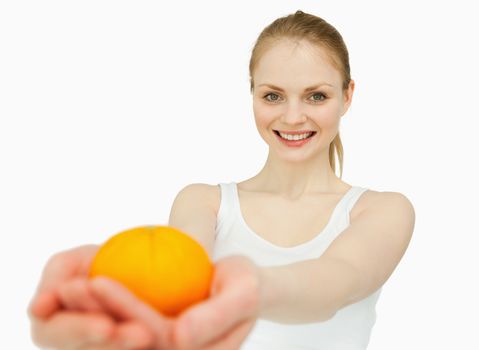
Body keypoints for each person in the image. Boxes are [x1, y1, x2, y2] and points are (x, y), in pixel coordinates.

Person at [28, 10, 415, 350]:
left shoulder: (383, 210)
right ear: (252, 94)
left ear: (348, 96)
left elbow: (334, 283)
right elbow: (176, 281)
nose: (293, 117)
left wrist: (250, 289)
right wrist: (122, 297)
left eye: (316, 96)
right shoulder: (203, 202)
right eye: (273, 96)